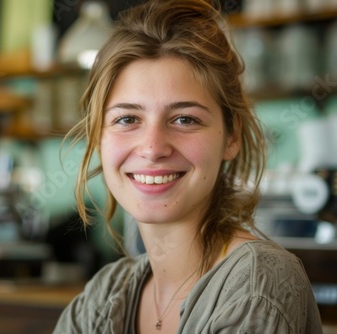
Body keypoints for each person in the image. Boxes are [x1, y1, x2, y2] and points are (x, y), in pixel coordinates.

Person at [53, 0, 323, 333]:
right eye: (127, 119)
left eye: (185, 118)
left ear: (231, 137)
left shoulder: (256, 283)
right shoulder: (103, 296)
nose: (153, 148)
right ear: (98, 136)